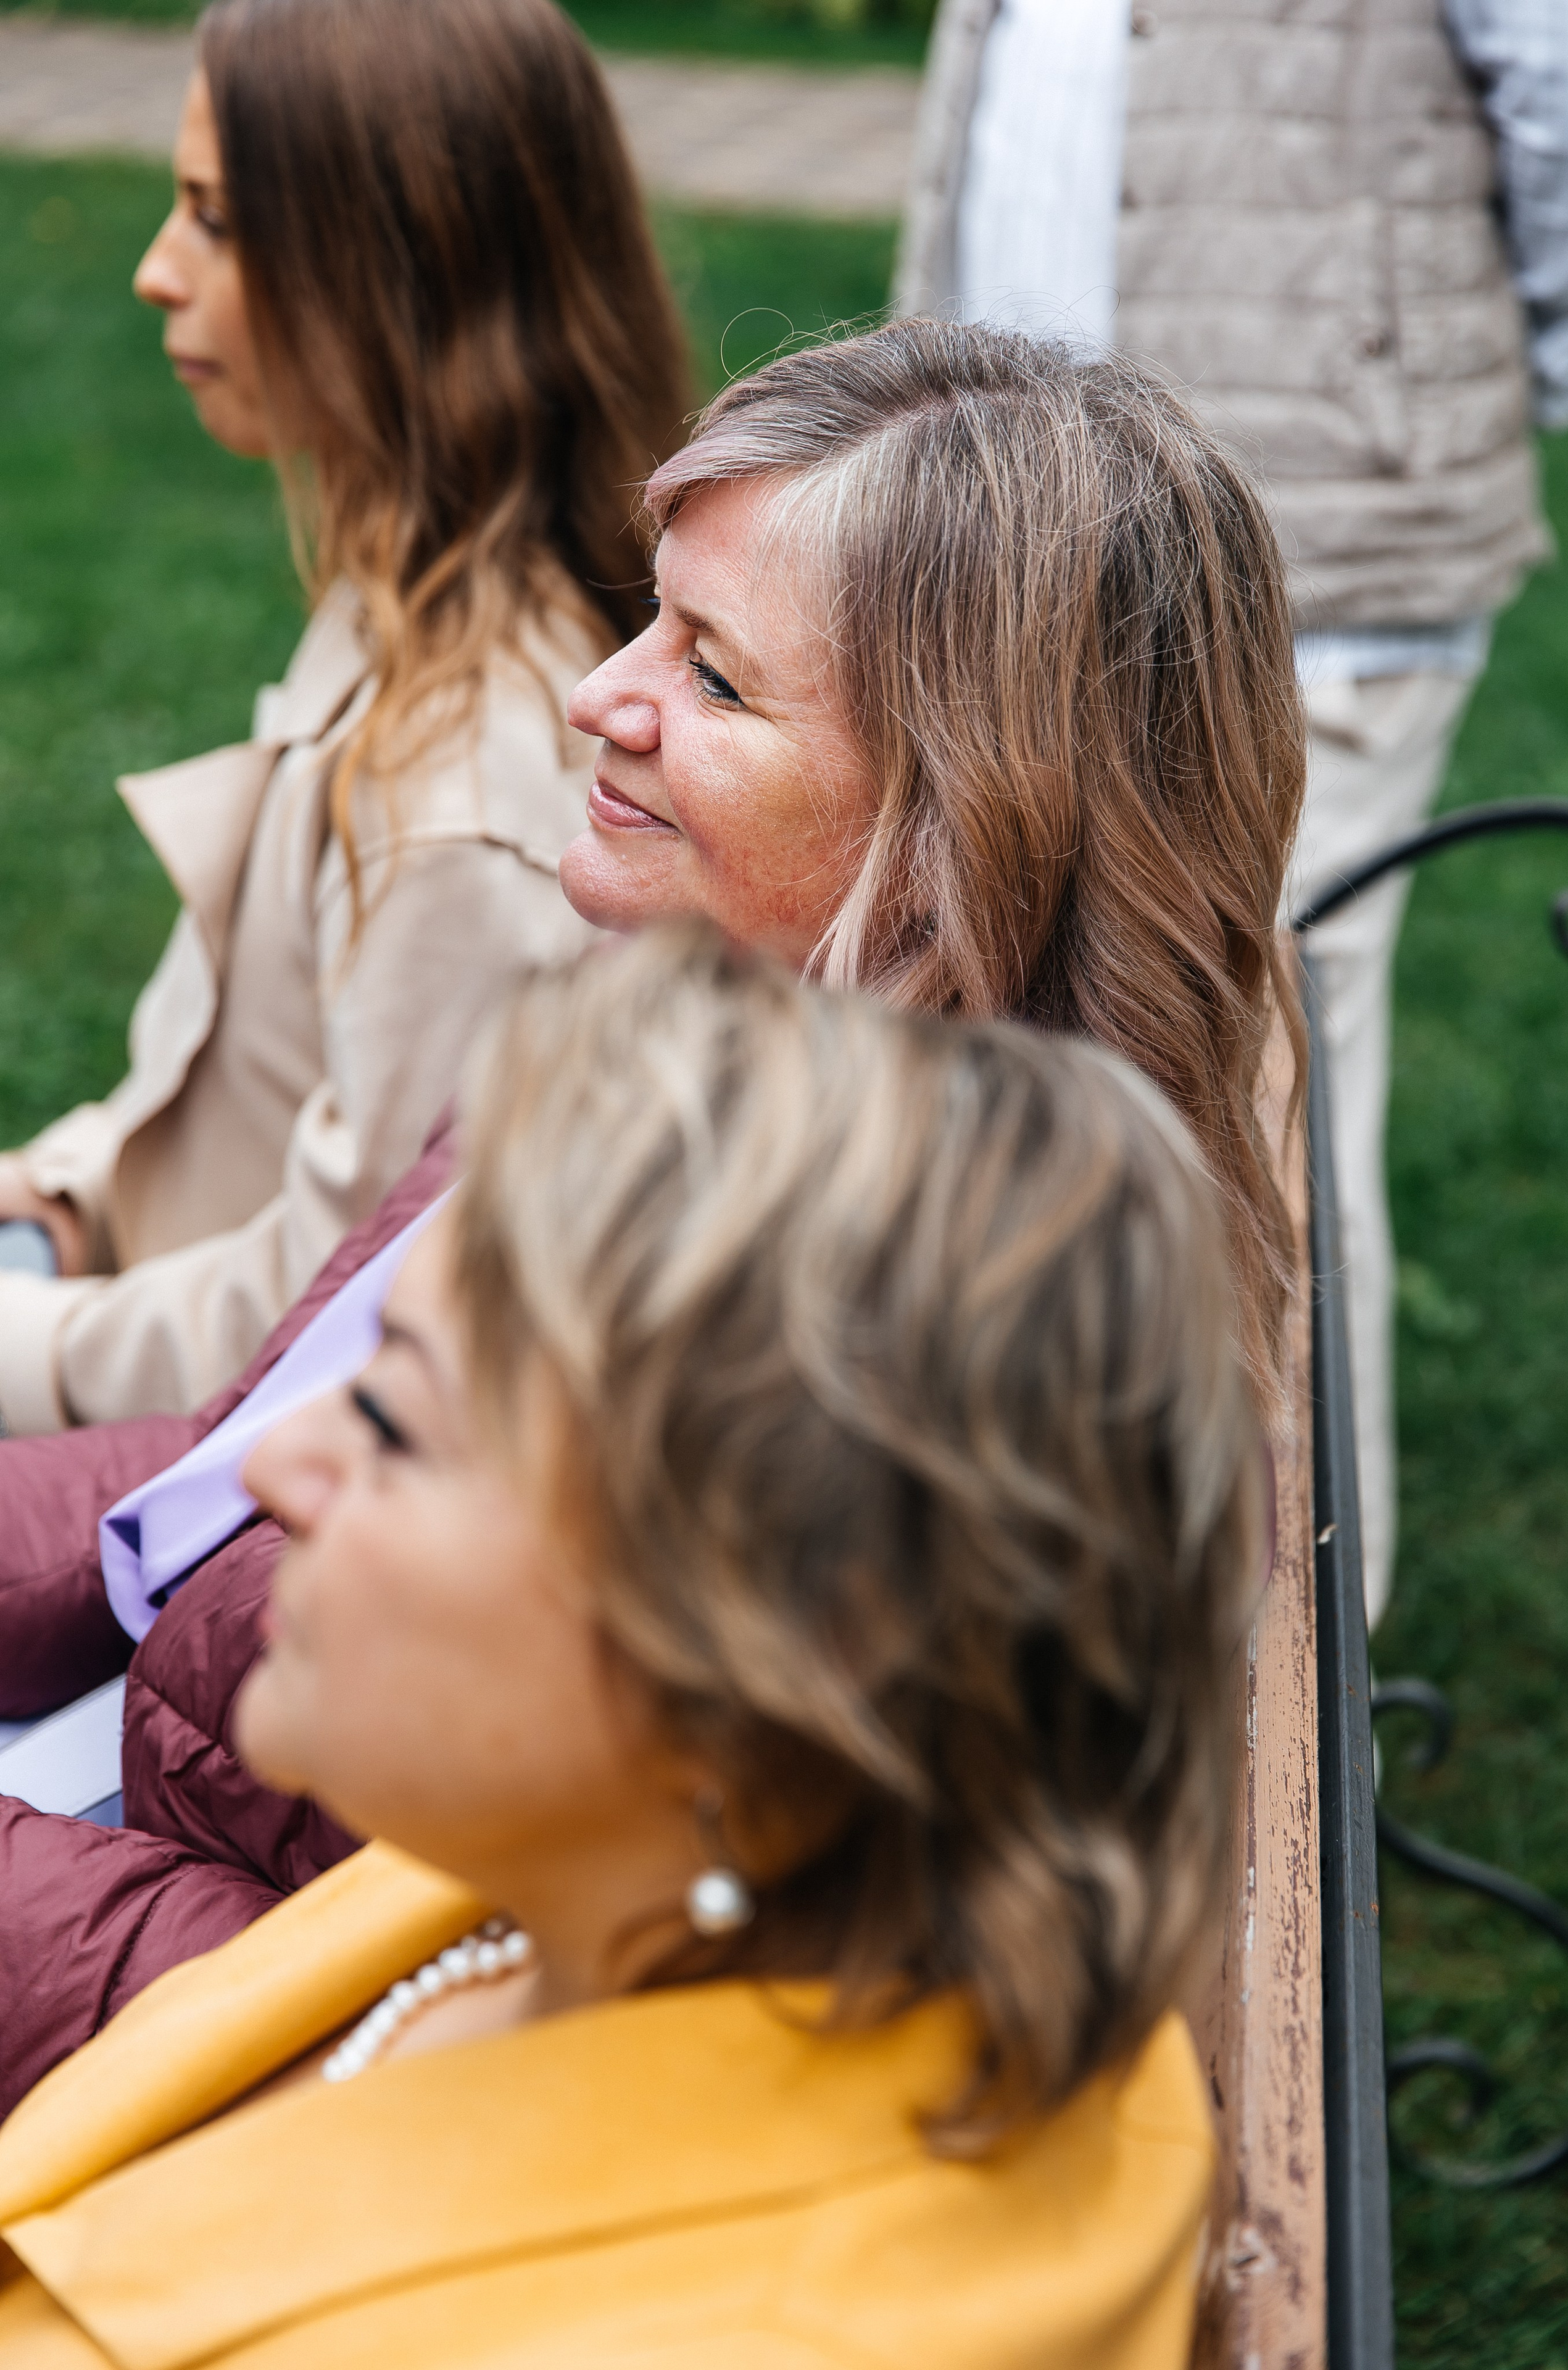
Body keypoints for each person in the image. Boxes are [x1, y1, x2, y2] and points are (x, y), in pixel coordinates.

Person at [0, 321, 1303, 2112]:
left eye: (718, 678)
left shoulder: (844, 1384)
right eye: (650, 617)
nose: (599, 694)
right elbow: (221, 1467)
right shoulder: (684, 1061)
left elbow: (429, 2041)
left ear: (960, 835)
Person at [0, 924, 1264, 2369]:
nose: (279, 1469)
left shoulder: (743, 2322)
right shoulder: (659, 1884)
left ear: (743, 1638)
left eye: (393, 1421)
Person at [895, 0, 1568, 1622]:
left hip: (1308, 554)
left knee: (1248, 1116)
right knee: (1002, 1079)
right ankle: (1014, 1627)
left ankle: (1286, 1736)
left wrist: (1430, 382)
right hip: (994, 554)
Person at [0, 0, 691, 1435]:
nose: (151, 272)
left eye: (214, 220)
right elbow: (240, 1085)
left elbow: (344, 1303)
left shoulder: (466, 773)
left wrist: (33, 1347)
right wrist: (64, 1194)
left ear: (390, 268)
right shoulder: (404, 603)